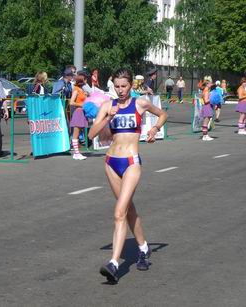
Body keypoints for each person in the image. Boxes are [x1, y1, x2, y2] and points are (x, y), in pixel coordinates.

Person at [88, 68, 167, 283]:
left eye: (124, 86)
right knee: (128, 210)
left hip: (132, 162)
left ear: (131, 85)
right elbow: (91, 134)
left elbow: (162, 114)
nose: (121, 90)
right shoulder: (107, 106)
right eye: (117, 86)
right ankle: (143, 248)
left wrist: (154, 130)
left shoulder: (140, 103)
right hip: (111, 163)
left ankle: (114, 263)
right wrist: (107, 118)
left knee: (119, 212)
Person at [69, 73, 88, 160]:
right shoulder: (76, 89)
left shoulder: (81, 89)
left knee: (78, 133)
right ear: (81, 81)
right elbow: (71, 102)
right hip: (78, 112)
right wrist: (81, 104)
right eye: (85, 79)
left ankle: (77, 153)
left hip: (82, 112)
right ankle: (76, 153)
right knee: (76, 134)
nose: (86, 80)